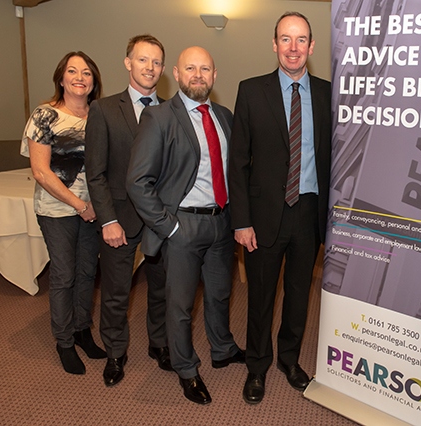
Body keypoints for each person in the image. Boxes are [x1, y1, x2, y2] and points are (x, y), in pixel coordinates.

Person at [126, 46, 245, 405]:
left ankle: (222, 348)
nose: (198, 75)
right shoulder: (160, 118)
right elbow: (137, 181)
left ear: (214, 75)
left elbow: (236, 173)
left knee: (220, 294)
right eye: (190, 68)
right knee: (179, 306)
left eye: (205, 69)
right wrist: (169, 227)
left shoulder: (224, 116)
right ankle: (187, 369)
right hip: (182, 227)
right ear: (175, 74)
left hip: (221, 224)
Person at [228, 11, 331, 404]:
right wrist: (241, 221)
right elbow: (238, 162)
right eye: (285, 39)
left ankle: (288, 359)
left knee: (299, 294)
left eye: (301, 39)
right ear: (274, 44)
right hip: (263, 217)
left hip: (308, 213)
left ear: (311, 46)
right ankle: (257, 366)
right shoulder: (251, 91)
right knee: (260, 297)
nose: (293, 47)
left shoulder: (326, 93)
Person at [85, 34, 170, 387]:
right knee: (117, 292)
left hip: (161, 221)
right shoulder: (104, 109)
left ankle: (161, 344)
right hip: (119, 219)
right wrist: (107, 219)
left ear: (163, 69)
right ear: (127, 63)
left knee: (163, 289)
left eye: (155, 62)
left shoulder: (170, 110)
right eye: (142, 60)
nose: (149, 68)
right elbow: (96, 172)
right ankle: (116, 352)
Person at [21, 51, 106, 375]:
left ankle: (83, 330)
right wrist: (80, 205)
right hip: (58, 210)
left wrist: (96, 205)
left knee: (87, 273)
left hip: (93, 209)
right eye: (73, 71)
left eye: (86, 72)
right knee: (64, 275)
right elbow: (41, 172)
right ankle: (64, 340)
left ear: (94, 80)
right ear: (61, 78)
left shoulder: (99, 114)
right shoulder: (45, 115)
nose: (80, 77)